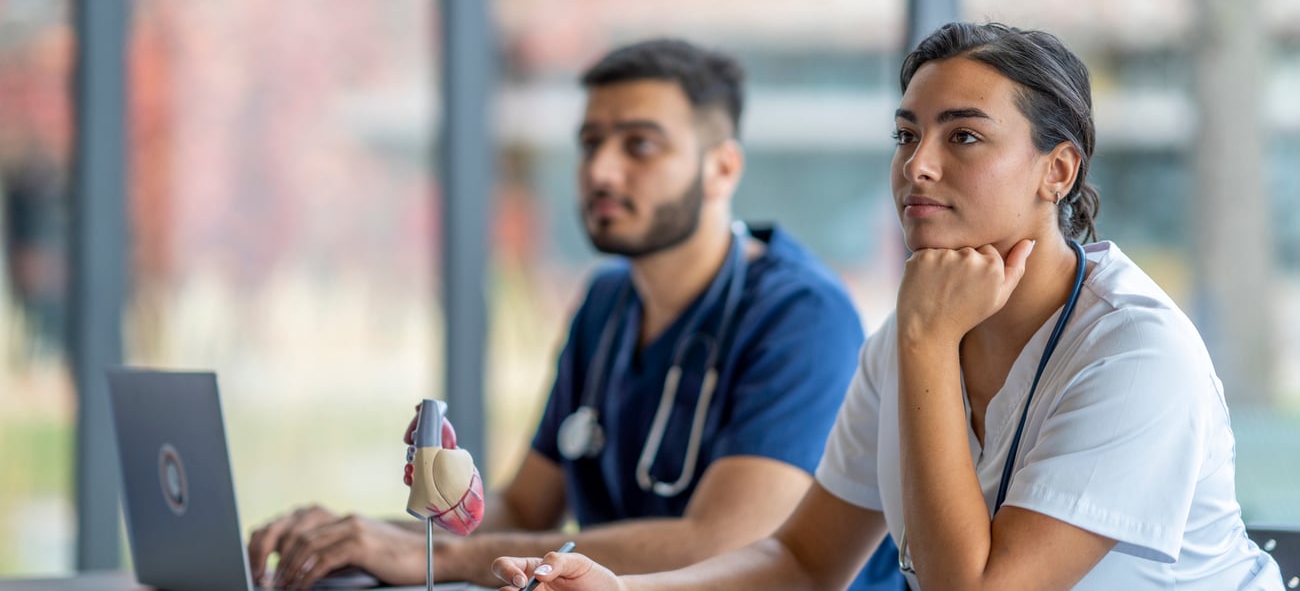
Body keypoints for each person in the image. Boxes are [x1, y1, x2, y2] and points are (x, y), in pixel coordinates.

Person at [491, 22, 1286, 591]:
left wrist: (927, 341)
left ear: (1058, 171)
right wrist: (623, 590)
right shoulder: (905, 335)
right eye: (907, 136)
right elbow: (803, 561)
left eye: (963, 138)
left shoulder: (1134, 355)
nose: (918, 168)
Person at [247, 38, 904, 590]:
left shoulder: (801, 314)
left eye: (639, 145)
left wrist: (444, 562)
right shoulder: (605, 303)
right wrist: (361, 536)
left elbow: (727, 544)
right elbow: (523, 506)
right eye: (591, 143)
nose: (602, 171)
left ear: (721, 168)